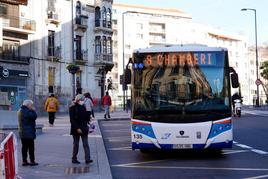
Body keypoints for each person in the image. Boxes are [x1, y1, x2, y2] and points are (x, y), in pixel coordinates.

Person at [69, 94, 93, 164]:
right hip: (76, 129)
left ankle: (87, 159)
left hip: (84, 128)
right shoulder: (72, 108)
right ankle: (74, 158)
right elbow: (72, 120)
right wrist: (77, 128)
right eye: (82, 100)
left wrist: (89, 114)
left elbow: (86, 118)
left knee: (86, 144)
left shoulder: (83, 107)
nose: (83, 101)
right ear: (78, 100)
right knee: (76, 144)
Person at [17, 100, 38, 166]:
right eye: (31, 105)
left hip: (22, 132)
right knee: (31, 147)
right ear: (28, 105)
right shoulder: (27, 111)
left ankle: (24, 161)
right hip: (28, 132)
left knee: (24, 147)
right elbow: (34, 117)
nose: (32, 106)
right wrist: (33, 110)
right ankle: (32, 161)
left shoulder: (20, 110)